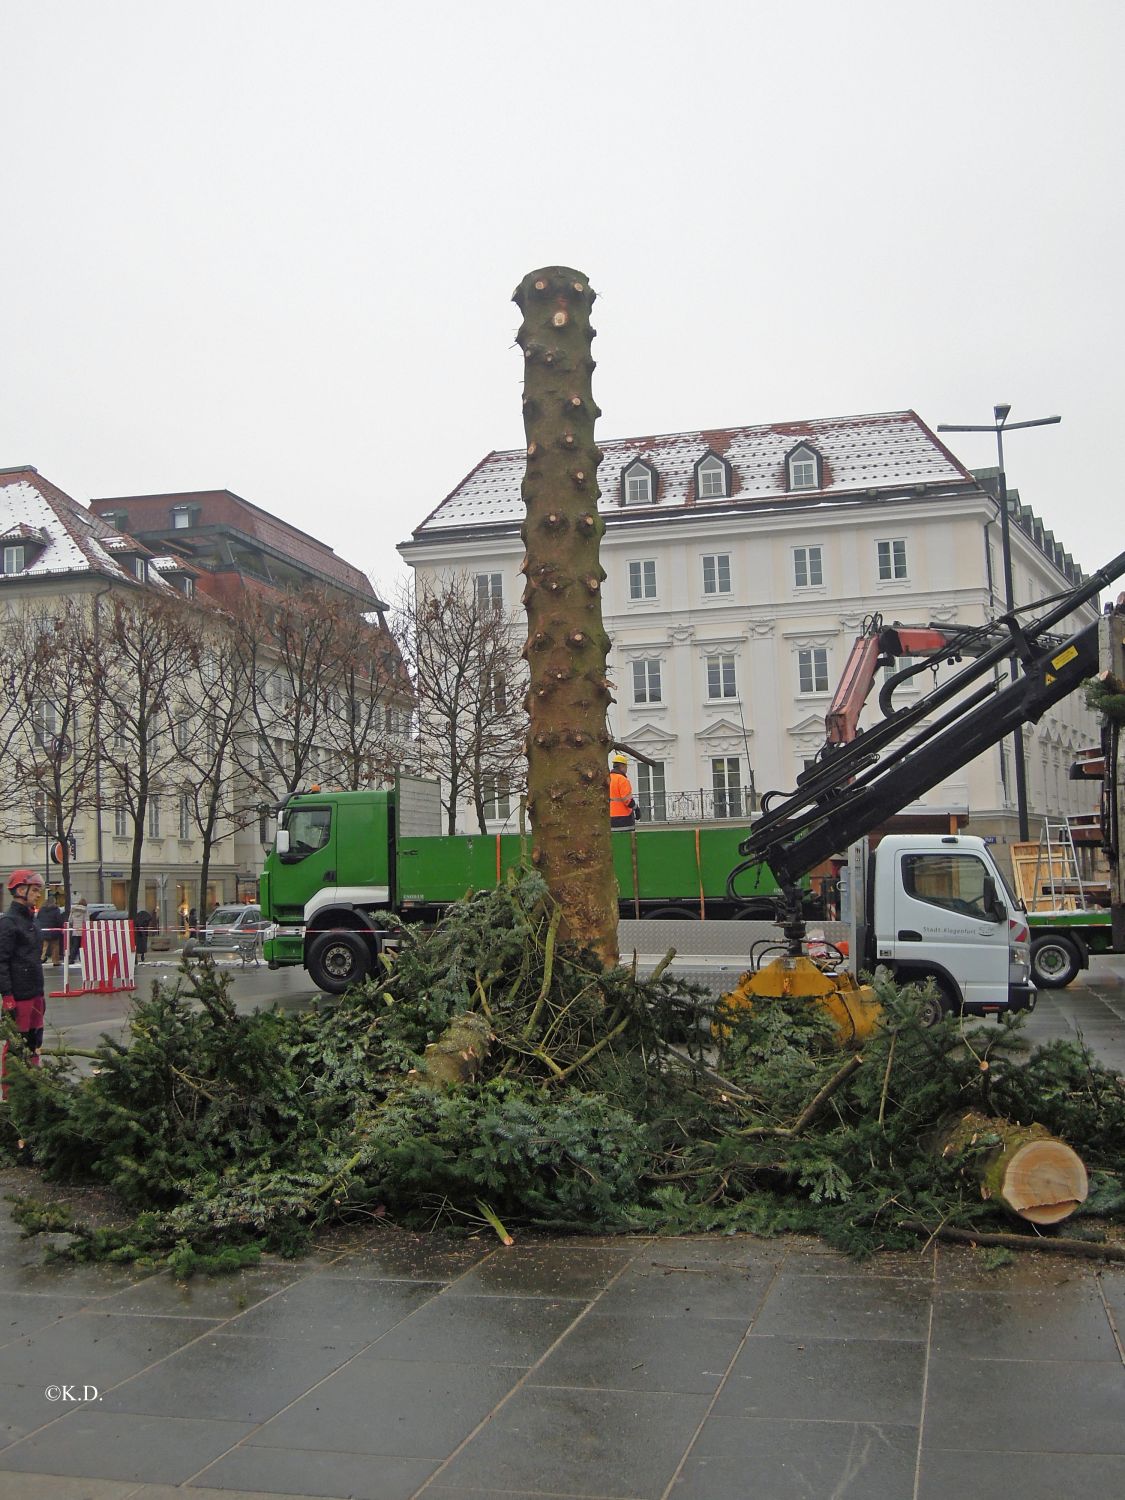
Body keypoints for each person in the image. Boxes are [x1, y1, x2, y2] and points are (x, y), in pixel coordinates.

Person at [1, 869, 48, 1065]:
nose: (39, 895)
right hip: (19, 997)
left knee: (34, 1041)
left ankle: (34, 1086)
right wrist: (7, 996)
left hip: (36, 992)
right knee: (17, 1046)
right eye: (35, 890)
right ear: (21, 890)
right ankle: (13, 1091)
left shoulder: (32, 921)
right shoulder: (8, 923)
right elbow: (1, 961)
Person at [609, 753, 637, 829]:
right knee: (627, 839)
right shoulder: (622, 780)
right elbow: (628, 800)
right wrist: (636, 808)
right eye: (626, 766)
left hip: (609, 817)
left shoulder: (608, 778)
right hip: (624, 818)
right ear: (622, 766)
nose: (626, 769)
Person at [37, 890, 65, 964]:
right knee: (55, 946)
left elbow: (38, 918)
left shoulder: (41, 909)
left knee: (44, 946)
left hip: (44, 930)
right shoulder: (56, 910)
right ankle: (55, 961)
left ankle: (41, 958)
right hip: (54, 931)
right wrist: (61, 927)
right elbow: (59, 920)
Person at [68, 895, 88, 965]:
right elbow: (86, 921)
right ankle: (82, 958)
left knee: (75, 945)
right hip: (82, 931)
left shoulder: (73, 910)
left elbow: (70, 920)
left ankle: (71, 959)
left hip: (75, 930)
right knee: (83, 946)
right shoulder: (85, 911)